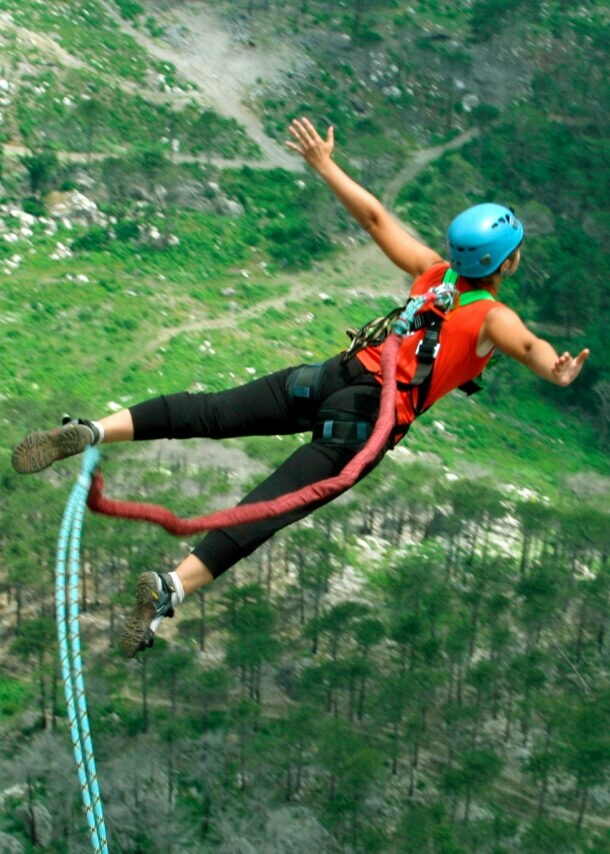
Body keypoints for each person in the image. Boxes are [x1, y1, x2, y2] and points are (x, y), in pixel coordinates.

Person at [12, 118, 590, 657]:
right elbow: (528, 346)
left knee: (211, 411)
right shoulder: (491, 315)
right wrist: (556, 371)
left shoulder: (433, 273)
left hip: (331, 377)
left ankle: (93, 429)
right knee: (264, 507)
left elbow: (375, 219)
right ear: (505, 263)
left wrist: (324, 164)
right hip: (365, 423)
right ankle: (171, 587)